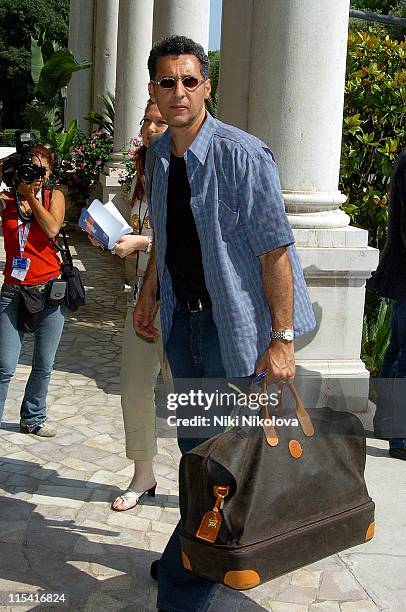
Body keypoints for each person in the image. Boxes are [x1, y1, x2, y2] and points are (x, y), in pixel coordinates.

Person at [134, 36, 316, 612]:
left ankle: (187, 581)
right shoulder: (161, 158)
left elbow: (275, 252)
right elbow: (165, 235)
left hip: (233, 331)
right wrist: (148, 292)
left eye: (190, 80)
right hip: (183, 329)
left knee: (223, 462)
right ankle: (193, 547)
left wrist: (282, 339)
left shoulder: (245, 155)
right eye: (167, 82)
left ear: (206, 86)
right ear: (155, 92)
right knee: (199, 454)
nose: (179, 92)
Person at [90, 100, 171, 510]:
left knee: (192, 393)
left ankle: (213, 480)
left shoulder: (191, 168)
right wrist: (110, 235)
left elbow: (196, 243)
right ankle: (143, 475)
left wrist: (143, 243)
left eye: (161, 120)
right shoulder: (141, 174)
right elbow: (135, 226)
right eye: (148, 120)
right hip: (140, 297)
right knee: (134, 390)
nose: (153, 127)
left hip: (183, 302)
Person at [0, 143, 65, 436]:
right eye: (31, 169)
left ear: (49, 172)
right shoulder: (6, 200)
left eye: (42, 170)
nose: (36, 176)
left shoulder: (55, 196)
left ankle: (33, 418)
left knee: (44, 363)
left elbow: (52, 228)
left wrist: (31, 198)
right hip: (14, 290)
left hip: (50, 290)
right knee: (4, 365)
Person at [366, 148, 406, 460]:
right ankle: (399, 435)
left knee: (397, 351)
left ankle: (389, 425)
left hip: (400, 273)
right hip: (403, 273)